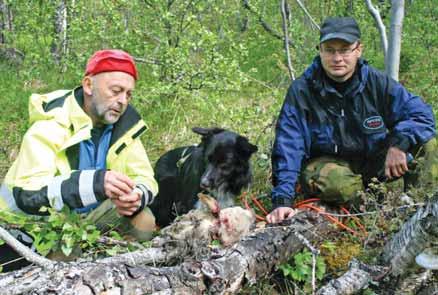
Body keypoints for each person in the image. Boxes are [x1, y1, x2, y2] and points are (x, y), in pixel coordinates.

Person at [267, 17, 436, 224]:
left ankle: (420, 217)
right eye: (330, 50)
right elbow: (288, 145)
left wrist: (399, 144)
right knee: (338, 184)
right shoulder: (302, 91)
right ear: (319, 50)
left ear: (358, 50)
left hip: (373, 161)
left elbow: (422, 115)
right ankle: (371, 216)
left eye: (345, 49)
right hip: (328, 166)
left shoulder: (377, 82)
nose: (337, 58)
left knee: (429, 146)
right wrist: (282, 199)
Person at [0, 49, 158, 267]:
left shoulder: (124, 128)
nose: (123, 101)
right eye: (116, 91)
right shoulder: (51, 124)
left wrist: (138, 195)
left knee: (144, 219)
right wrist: (95, 183)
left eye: (129, 94)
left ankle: (110, 271)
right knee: (67, 256)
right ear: (88, 85)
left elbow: (145, 176)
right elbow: (28, 195)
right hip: (28, 231)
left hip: (81, 225)